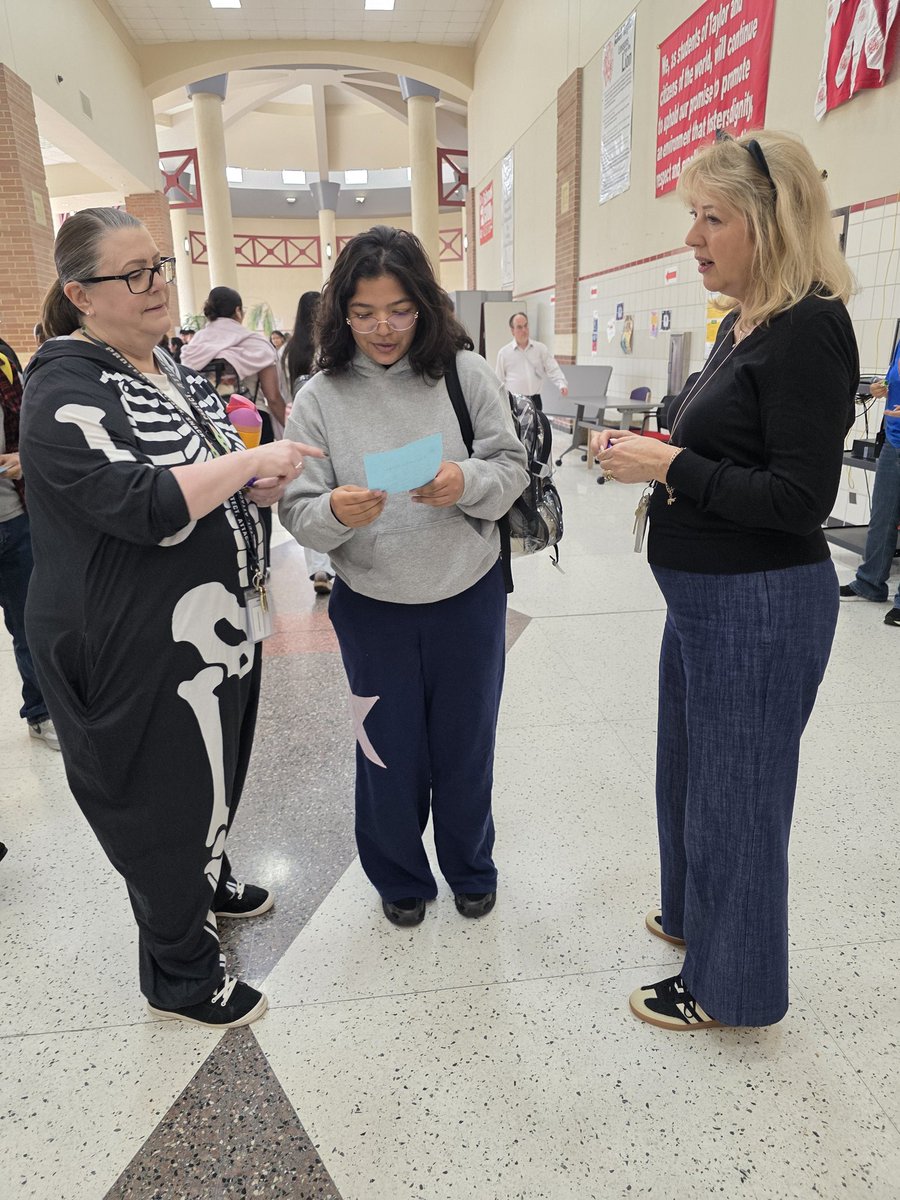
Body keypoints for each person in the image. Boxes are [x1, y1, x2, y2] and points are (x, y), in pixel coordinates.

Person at [19, 207, 320, 1029]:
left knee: (212, 772)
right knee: (158, 801)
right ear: (80, 294)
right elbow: (139, 503)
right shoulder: (64, 386)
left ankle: (208, 874)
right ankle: (181, 974)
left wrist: (249, 481)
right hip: (128, 642)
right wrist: (252, 462)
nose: (159, 285)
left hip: (216, 625)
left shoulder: (173, 366)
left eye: (160, 266)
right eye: (136, 274)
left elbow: (209, 462)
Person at [593, 131, 858, 1030]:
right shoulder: (745, 322)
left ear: (771, 223)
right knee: (689, 775)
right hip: (705, 598)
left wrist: (668, 469)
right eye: (690, 217)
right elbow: (721, 446)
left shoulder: (812, 326)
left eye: (713, 218)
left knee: (737, 797)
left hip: (761, 601)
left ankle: (732, 987)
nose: (693, 237)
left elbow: (796, 497)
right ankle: (697, 918)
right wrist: (656, 450)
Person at [279, 226, 527, 927]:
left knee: (466, 741)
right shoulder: (319, 396)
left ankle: (471, 867)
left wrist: (465, 480)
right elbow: (298, 511)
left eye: (400, 309)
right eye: (363, 312)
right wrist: (333, 508)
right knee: (384, 751)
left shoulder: (464, 374)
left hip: (467, 594)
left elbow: (510, 469)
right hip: (373, 604)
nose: (382, 328)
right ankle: (398, 876)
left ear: (425, 305)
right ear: (340, 313)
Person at [0, 331, 59, 750]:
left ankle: (41, 711)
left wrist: (26, 457)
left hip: (13, 518)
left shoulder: (3, 358)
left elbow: (25, 428)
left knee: (29, 622)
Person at [839, 357, 900, 626]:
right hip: (893, 441)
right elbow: (891, 382)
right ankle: (870, 582)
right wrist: (878, 386)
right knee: (882, 516)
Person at [181, 288, 287, 436]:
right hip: (254, 424)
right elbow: (273, 397)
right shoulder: (255, 343)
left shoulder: (194, 346)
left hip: (212, 427)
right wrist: (292, 431)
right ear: (238, 311)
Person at [283, 290, 334, 594]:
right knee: (332, 493)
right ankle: (330, 566)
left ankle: (317, 569)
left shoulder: (289, 351)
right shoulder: (328, 345)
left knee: (307, 496)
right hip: (327, 425)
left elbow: (276, 394)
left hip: (296, 426)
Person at [495, 311, 568, 409]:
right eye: (519, 327)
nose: (524, 330)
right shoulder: (504, 353)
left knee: (537, 424)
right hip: (514, 401)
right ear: (512, 330)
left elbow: (552, 368)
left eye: (526, 326)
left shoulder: (540, 349)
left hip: (535, 400)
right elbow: (499, 380)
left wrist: (561, 384)